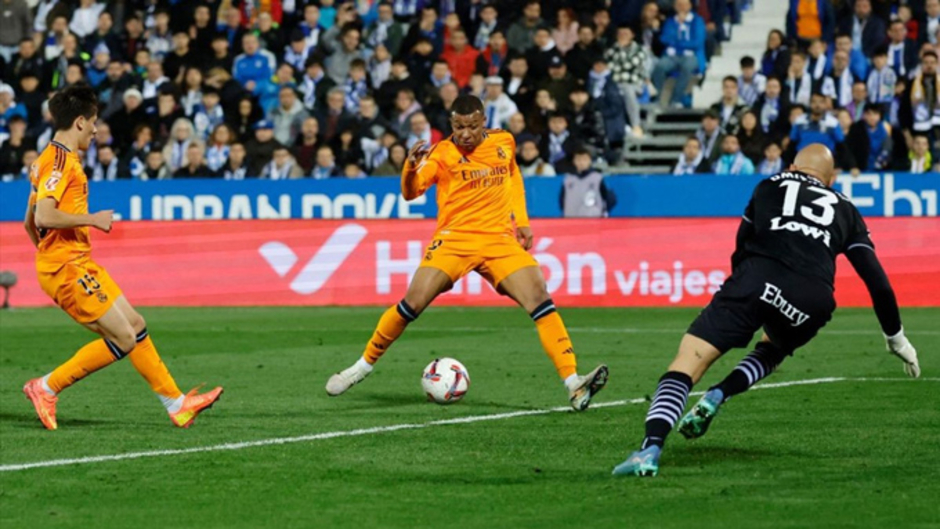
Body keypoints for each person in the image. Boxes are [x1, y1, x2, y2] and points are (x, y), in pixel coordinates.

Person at [612, 144, 921, 477]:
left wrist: (740, 292)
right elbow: (879, 282)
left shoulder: (769, 184)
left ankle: (650, 449)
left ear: (791, 167)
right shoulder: (846, 209)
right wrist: (896, 338)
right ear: (831, 180)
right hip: (811, 297)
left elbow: (742, 245)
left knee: (689, 361)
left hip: (756, 278)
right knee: (773, 348)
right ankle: (721, 392)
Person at [325, 95, 609, 411]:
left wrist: (522, 220)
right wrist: (409, 167)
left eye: (472, 126)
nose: (466, 134)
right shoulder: (442, 153)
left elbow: (513, 175)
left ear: (483, 121)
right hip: (454, 240)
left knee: (540, 298)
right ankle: (360, 368)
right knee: (412, 304)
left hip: (498, 240)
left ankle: (573, 384)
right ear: (451, 124)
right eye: (459, 127)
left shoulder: (504, 141)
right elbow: (410, 193)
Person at [21, 86, 222, 431]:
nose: (97, 130)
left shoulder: (50, 159)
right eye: (94, 123)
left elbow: (29, 221)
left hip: (74, 262)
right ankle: (46, 387)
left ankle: (177, 405)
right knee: (123, 339)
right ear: (80, 122)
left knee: (135, 325)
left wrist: (50, 252)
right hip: (67, 267)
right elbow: (43, 217)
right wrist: (90, 221)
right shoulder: (58, 162)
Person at [652, 0, 706, 108]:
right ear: (675, 7)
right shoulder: (670, 21)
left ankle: (676, 99)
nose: (682, 7)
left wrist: (676, 43)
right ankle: (656, 98)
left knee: (687, 67)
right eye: (679, 5)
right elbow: (664, 39)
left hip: (691, 55)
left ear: (690, 6)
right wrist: (679, 29)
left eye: (684, 4)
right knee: (660, 66)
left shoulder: (697, 21)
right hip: (671, 56)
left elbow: (697, 42)